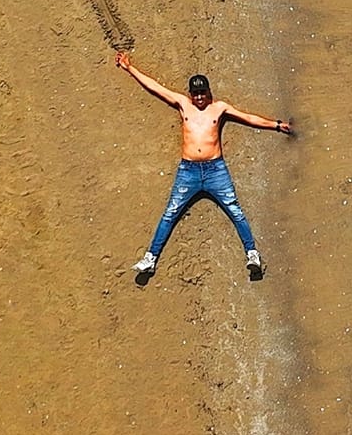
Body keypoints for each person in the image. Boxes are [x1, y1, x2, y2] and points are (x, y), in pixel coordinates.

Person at [115, 52, 295, 283]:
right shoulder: (183, 104)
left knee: (235, 210)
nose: (199, 97)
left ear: (209, 92)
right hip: (188, 171)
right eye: (196, 93)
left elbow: (249, 118)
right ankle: (150, 258)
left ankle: (252, 254)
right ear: (191, 94)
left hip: (215, 170)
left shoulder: (219, 108)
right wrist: (129, 68)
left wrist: (277, 125)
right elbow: (156, 88)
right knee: (170, 213)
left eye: (203, 92)